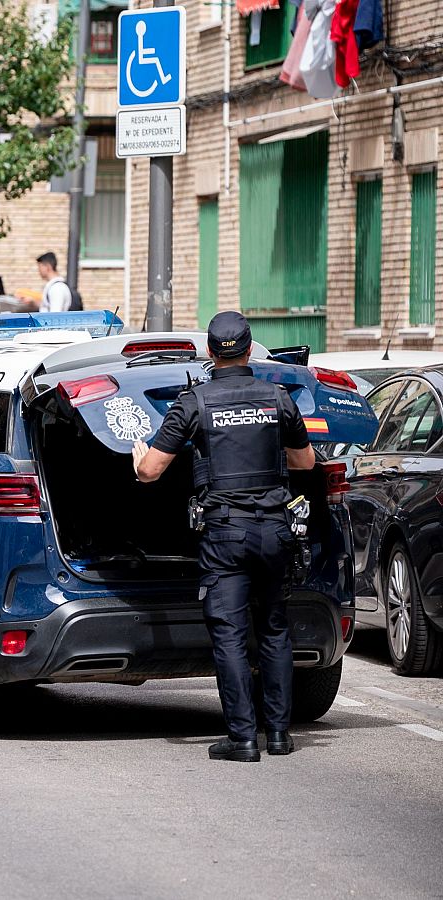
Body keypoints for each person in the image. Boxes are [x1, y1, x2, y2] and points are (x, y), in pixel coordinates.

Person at [132, 311, 315, 763]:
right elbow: (306, 462)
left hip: (226, 534)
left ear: (210, 353)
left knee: (230, 635)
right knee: (273, 627)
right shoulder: (278, 397)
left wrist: (138, 460)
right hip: (276, 530)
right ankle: (278, 734)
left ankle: (243, 738)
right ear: (250, 350)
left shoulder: (194, 402)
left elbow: (151, 471)